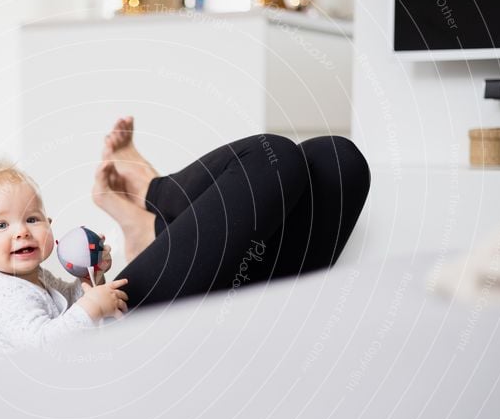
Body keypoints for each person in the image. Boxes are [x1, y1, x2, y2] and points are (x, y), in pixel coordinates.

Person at [93, 117, 371, 308]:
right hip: (124, 317)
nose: (51, 221)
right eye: (45, 217)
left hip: (247, 312)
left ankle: (150, 227)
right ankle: (154, 193)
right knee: (273, 157)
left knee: (338, 160)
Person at [0, 162, 128, 368]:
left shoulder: (35, 274)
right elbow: (46, 346)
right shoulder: (4, 296)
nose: (22, 231)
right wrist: (92, 307)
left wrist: (90, 277)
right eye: (1, 225)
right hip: (5, 390)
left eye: (32, 219)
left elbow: (66, 302)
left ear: (49, 224)